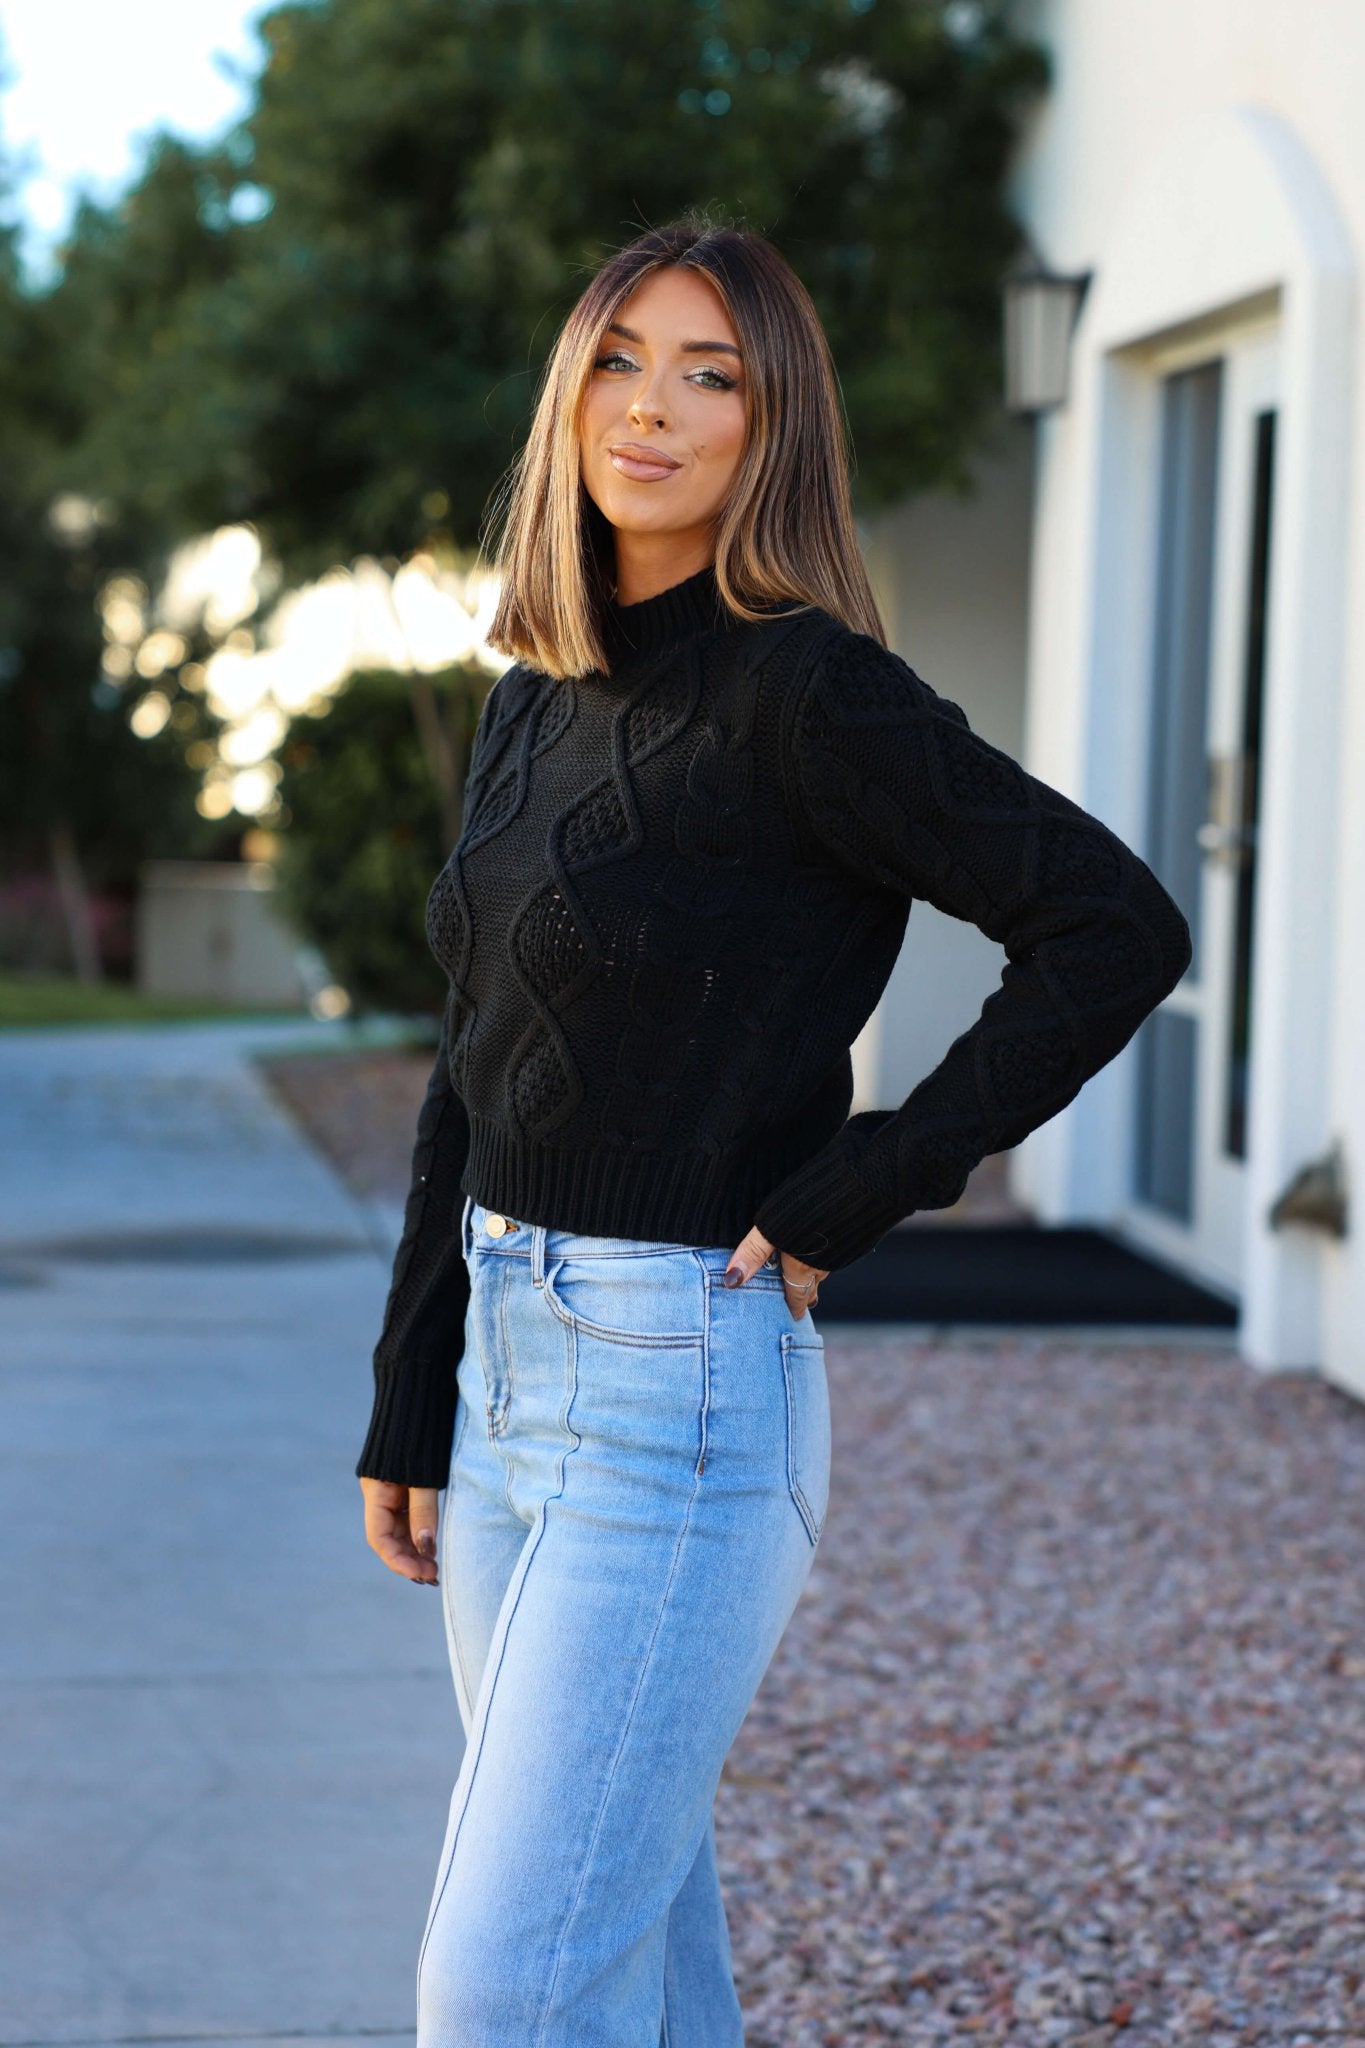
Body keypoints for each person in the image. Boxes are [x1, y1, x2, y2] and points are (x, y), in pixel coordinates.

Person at [355, 216, 1192, 2047]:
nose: (649, 408)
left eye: (707, 375)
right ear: (568, 398)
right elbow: (471, 1063)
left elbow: (1112, 926)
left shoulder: (810, 692)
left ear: (772, 425)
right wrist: (412, 1387)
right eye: (617, 360)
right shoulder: (531, 699)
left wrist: (863, 1183)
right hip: (504, 1379)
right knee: (631, 1953)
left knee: (501, 1984)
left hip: (676, 1390)